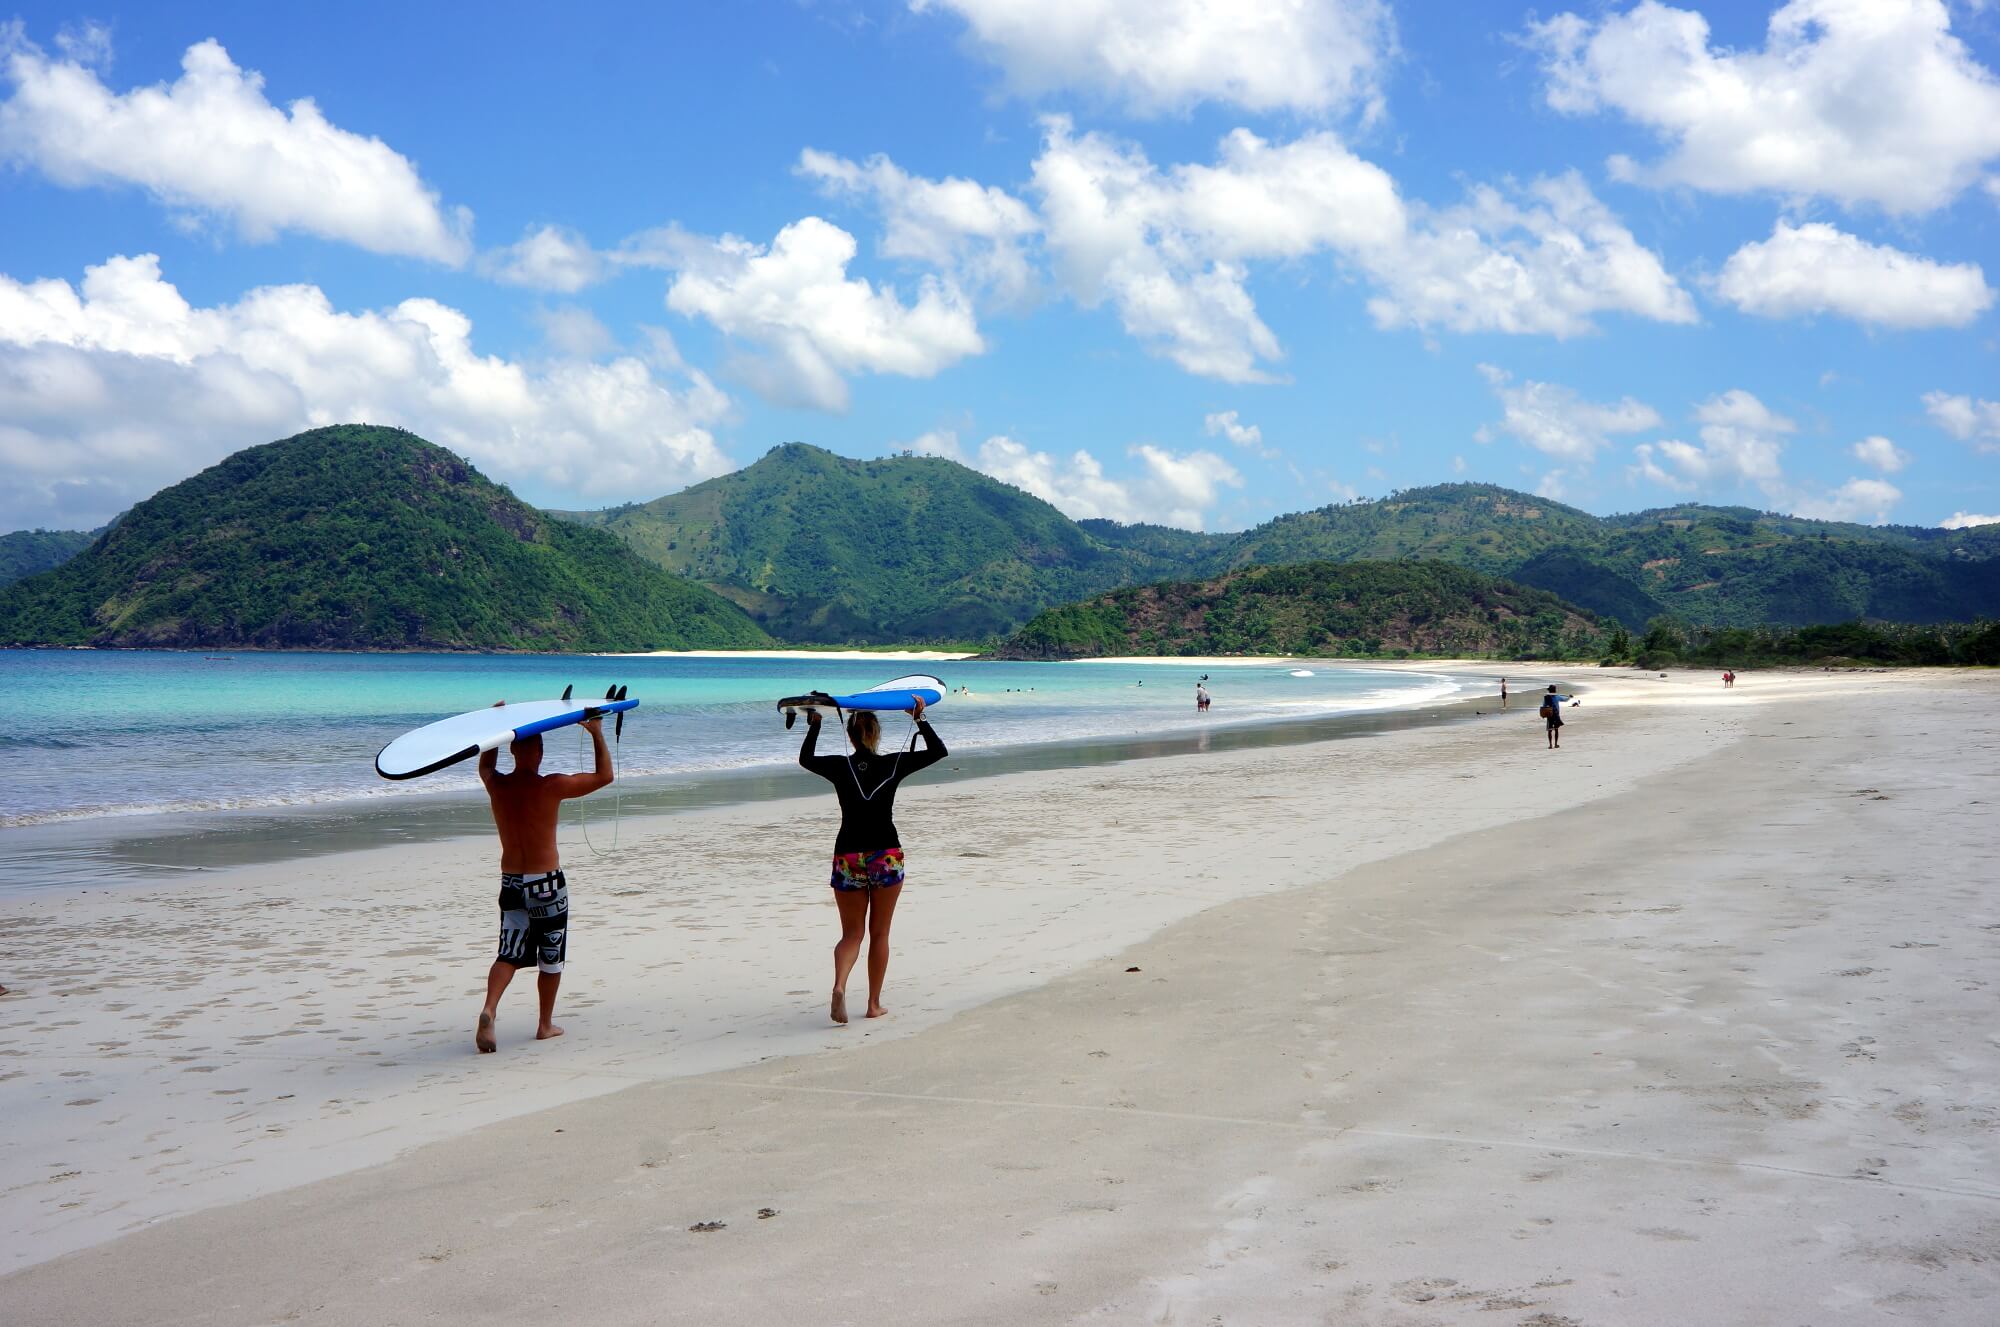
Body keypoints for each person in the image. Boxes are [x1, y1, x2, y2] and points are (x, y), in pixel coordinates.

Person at [473, 708, 615, 1053]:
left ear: (512, 751)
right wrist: (596, 732)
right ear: (539, 753)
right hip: (546, 883)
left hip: (511, 882)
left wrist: (494, 728)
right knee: (550, 955)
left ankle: (490, 1008)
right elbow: (604, 776)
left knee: (508, 952)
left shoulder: (498, 785)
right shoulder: (551, 786)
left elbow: (485, 766)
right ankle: (545, 1024)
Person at [800, 697, 947, 1023]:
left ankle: (839, 986)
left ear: (851, 736)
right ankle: (873, 1004)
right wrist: (919, 719)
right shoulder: (893, 764)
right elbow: (939, 752)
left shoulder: (840, 766)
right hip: (885, 856)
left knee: (851, 935)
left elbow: (806, 759)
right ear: (876, 735)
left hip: (848, 856)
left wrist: (816, 725)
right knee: (879, 934)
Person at [1538, 684, 1574, 750]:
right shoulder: (1557, 696)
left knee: (1550, 730)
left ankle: (1550, 745)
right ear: (1555, 690)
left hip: (1549, 715)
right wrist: (1569, 697)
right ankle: (1556, 744)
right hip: (1556, 715)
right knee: (1556, 729)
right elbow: (1565, 699)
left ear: (1549, 691)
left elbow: (1544, 706)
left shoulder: (1546, 697)